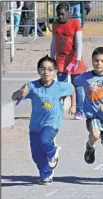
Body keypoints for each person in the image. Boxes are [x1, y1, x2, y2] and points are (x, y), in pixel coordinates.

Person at [11, 55, 76, 184]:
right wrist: (20, 92)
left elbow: (72, 89)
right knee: (36, 155)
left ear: (55, 71)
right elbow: (14, 97)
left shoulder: (60, 86)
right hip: (35, 124)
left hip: (52, 122)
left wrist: (74, 105)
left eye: (50, 69)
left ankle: (53, 152)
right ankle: (46, 174)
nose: (46, 72)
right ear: (38, 71)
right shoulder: (31, 86)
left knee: (45, 140)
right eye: (43, 69)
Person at [75, 47, 103, 179]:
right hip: (92, 113)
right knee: (95, 133)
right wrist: (72, 103)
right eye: (96, 60)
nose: (98, 63)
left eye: (102, 61)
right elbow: (74, 84)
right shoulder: (85, 77)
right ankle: (90, 146)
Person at [50, 2, 87, 120]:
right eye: (58, 15)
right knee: (62, 85)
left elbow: (79, 42)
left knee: (77, 85)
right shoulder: (55, 25)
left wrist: (77, 59)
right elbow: (53, 43)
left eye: (62, 14)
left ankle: (79, 110)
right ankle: (59, 109)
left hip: (73, 58)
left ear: (68, 13)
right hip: (61, 59)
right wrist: (52, 59)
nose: (60, 17)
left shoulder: (75, 23)